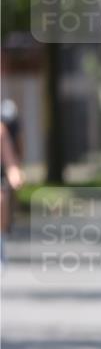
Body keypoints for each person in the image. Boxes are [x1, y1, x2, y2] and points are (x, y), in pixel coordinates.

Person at [1, 100, 26, 266]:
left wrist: (15, 173)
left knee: (1, 199)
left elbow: (10, 162)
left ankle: (2, 237)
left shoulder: (1, 131)